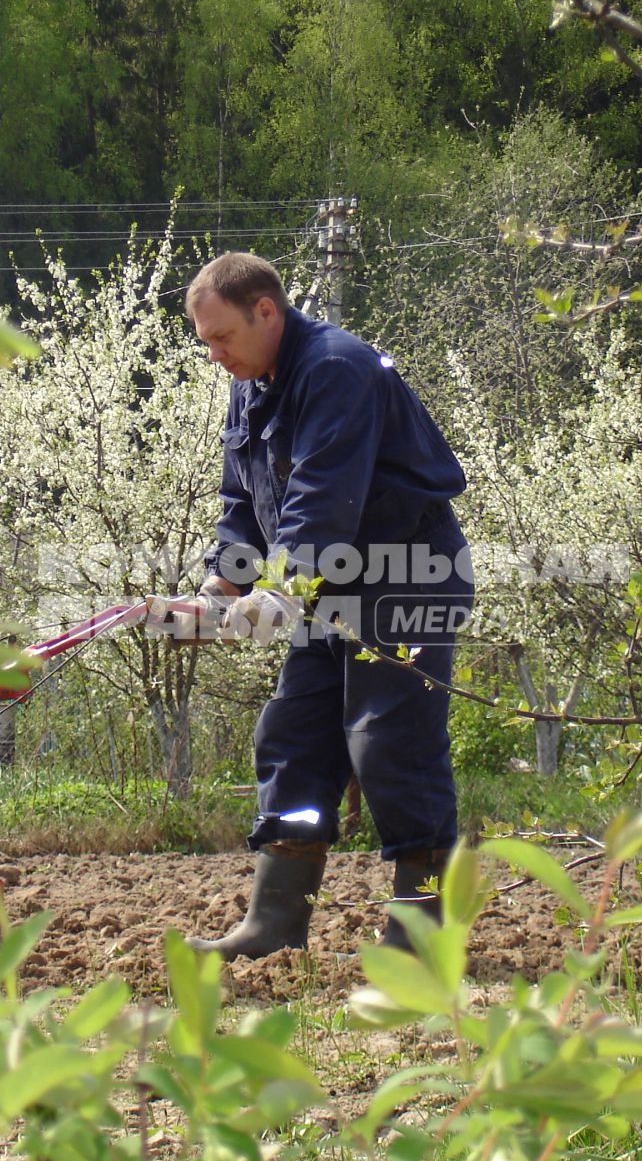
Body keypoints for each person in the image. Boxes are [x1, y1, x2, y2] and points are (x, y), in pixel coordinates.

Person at [170, 252, 473, 960]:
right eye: (205, 341)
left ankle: (420, 942)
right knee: (294, 737)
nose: (213, 354)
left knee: (388, 742)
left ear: (266, 312)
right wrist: (221, 585)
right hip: (326, 590)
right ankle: (274, 925)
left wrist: (280, 591)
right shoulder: (254, 382)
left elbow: (321, 497)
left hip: (406, 578)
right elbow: (244, 501)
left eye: (221, 337)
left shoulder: (335, 370)